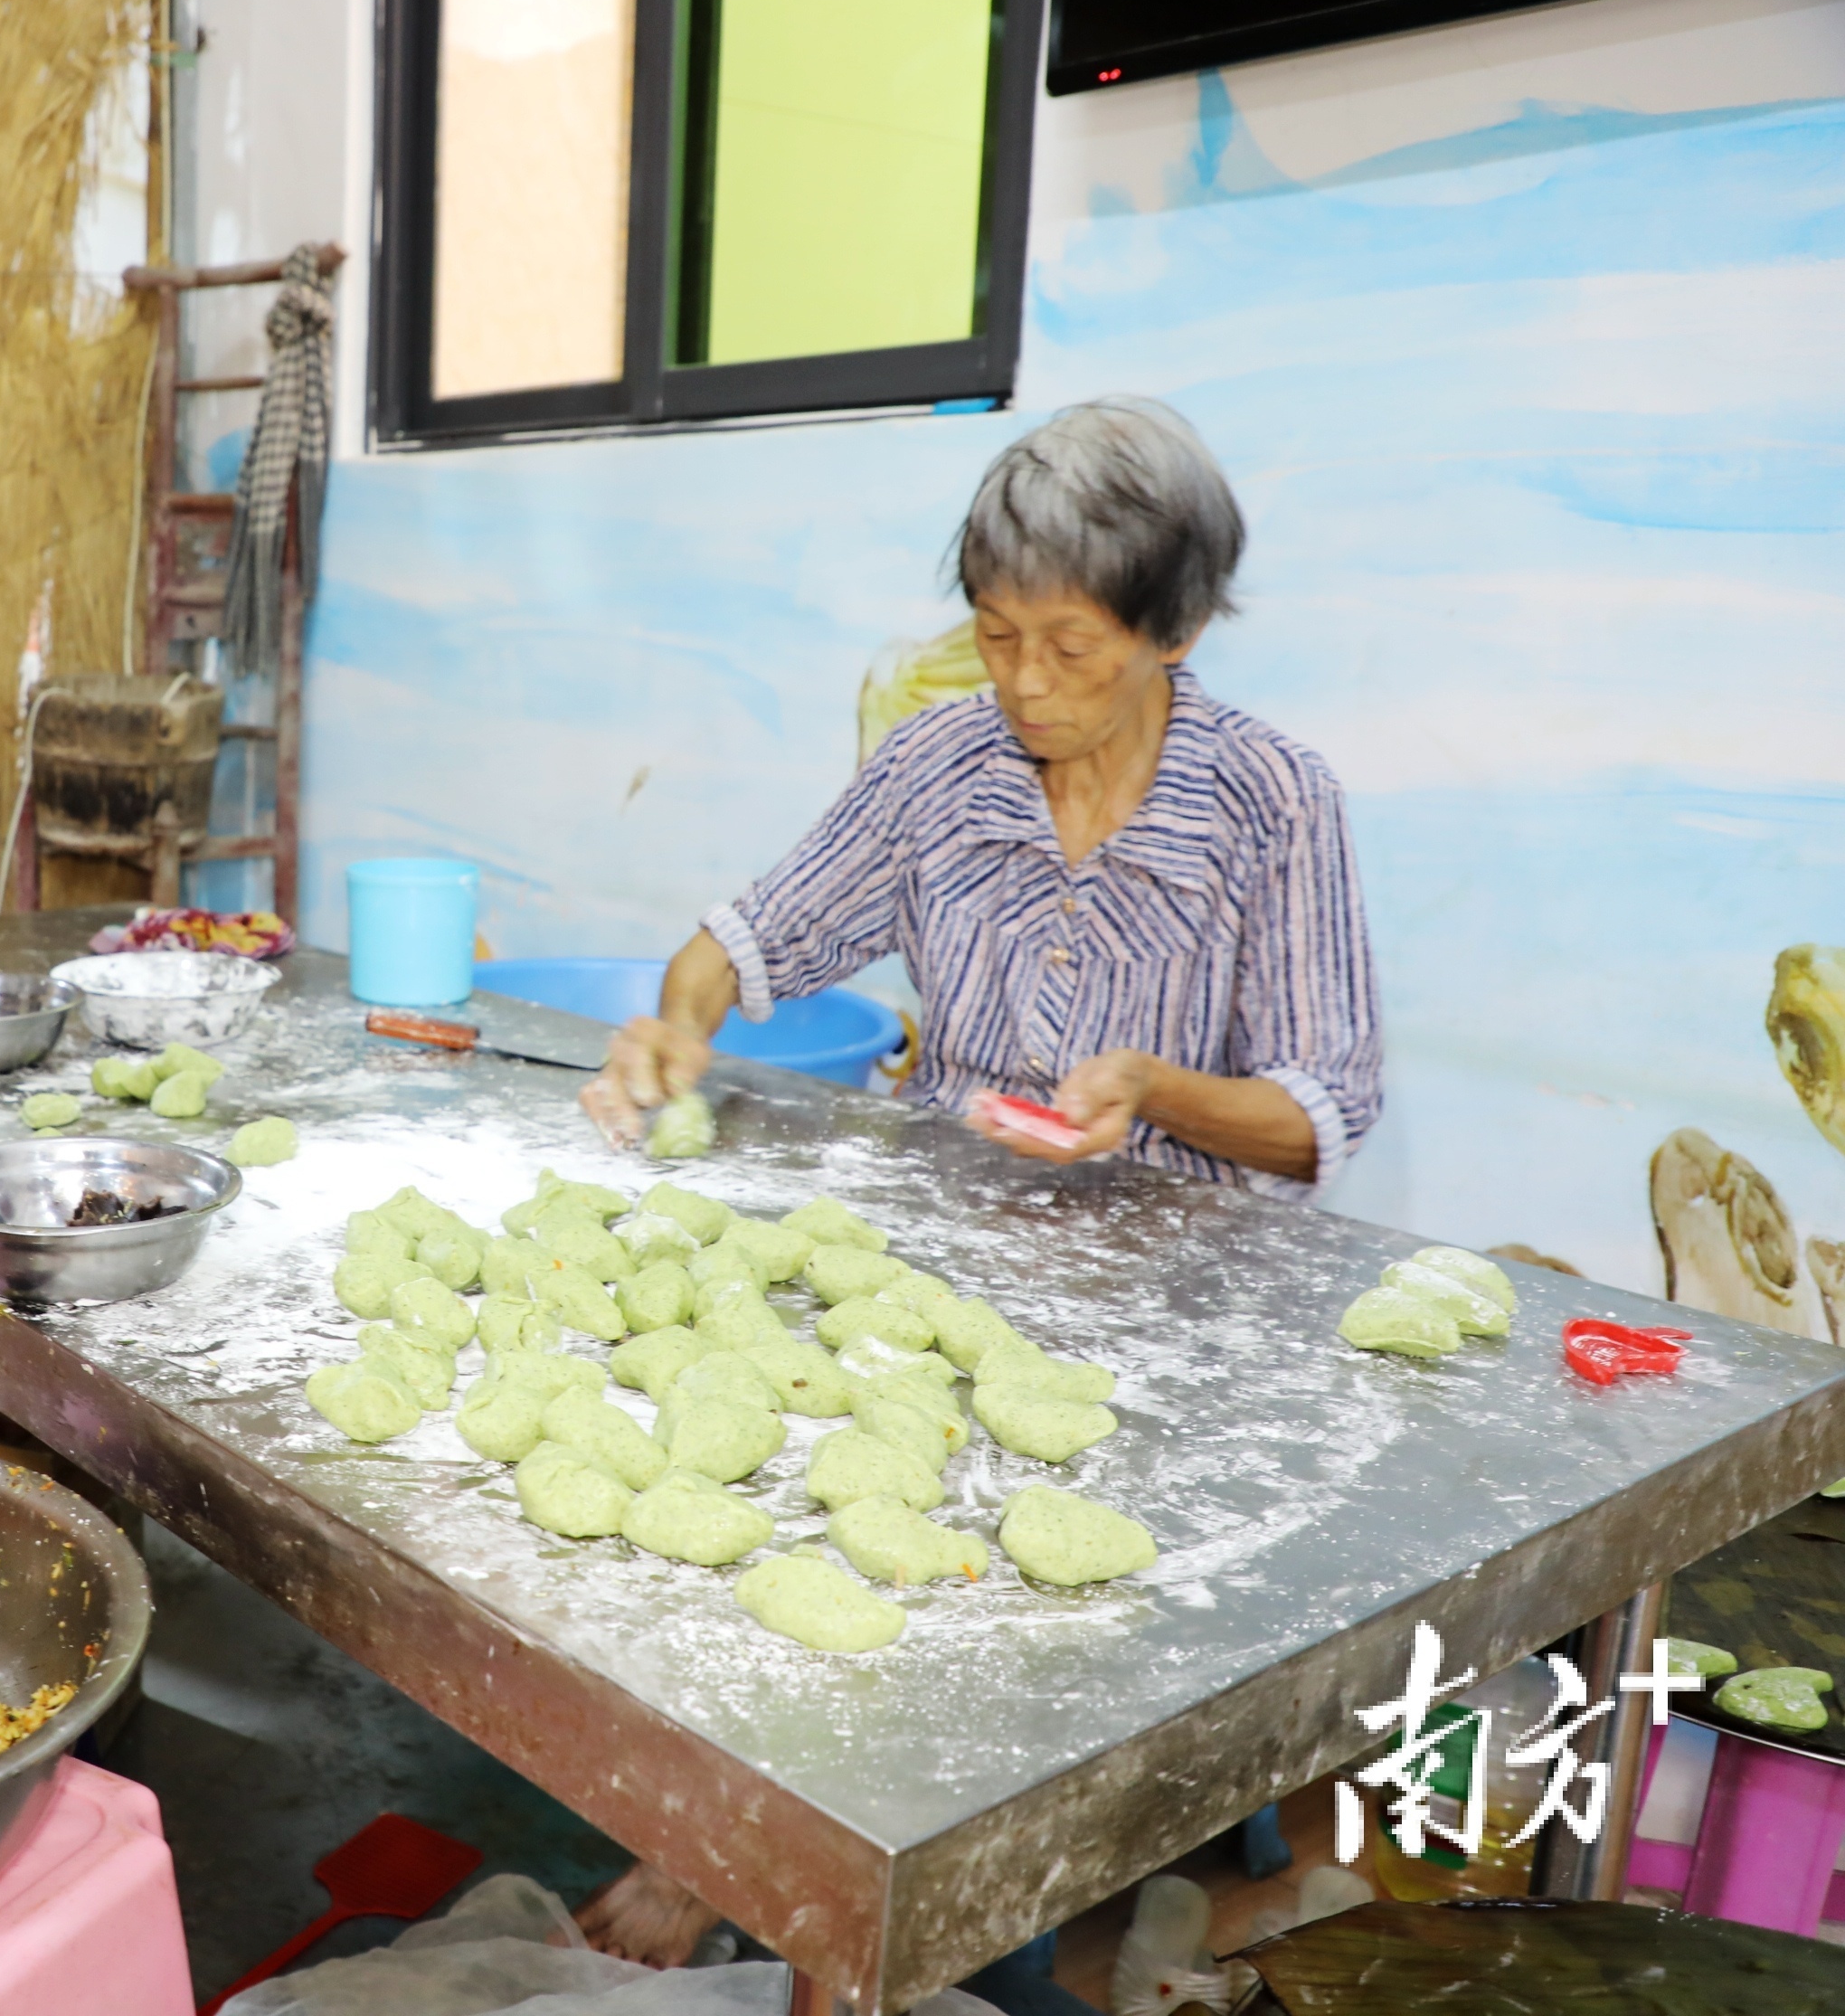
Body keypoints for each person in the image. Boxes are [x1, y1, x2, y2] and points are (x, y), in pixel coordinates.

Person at [574, 399, 1381, 1984]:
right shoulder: (944, 765)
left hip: (1174, 1311)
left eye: (1069, 646)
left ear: (1173, 630)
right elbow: (752, 932)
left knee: (1028, 1642)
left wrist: (1155, 1091)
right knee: (812, 1507)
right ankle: (741, 1841)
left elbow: (1325, 1111)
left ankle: (973, 1900)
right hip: (938, 1264)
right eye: (998, 636)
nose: (1023, 682)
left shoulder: (1274, 800)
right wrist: (679, 1020)